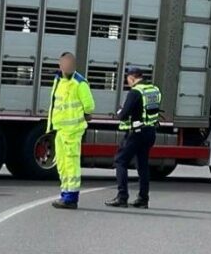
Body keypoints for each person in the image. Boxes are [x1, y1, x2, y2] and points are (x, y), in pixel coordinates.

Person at [106, 65, 161, 209]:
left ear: (132, 77)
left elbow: (123, 114)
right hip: (150, 132)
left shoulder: (135, 92)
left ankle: (122, 197)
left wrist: (119, 112)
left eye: (128, 79)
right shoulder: (153, 90)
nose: (127, 82)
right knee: (142, 164)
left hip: (136, 133)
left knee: (120, 161)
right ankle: (143, 199)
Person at [49, 52, 95, 210]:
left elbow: (89, 105)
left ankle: (71, 197)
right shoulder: (58, 80)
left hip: (73, 131)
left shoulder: (79, 82)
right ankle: (65, 194)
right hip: (61, 129)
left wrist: (85, 115)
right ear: (60, 65)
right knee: (62, 164)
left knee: (71, 163)